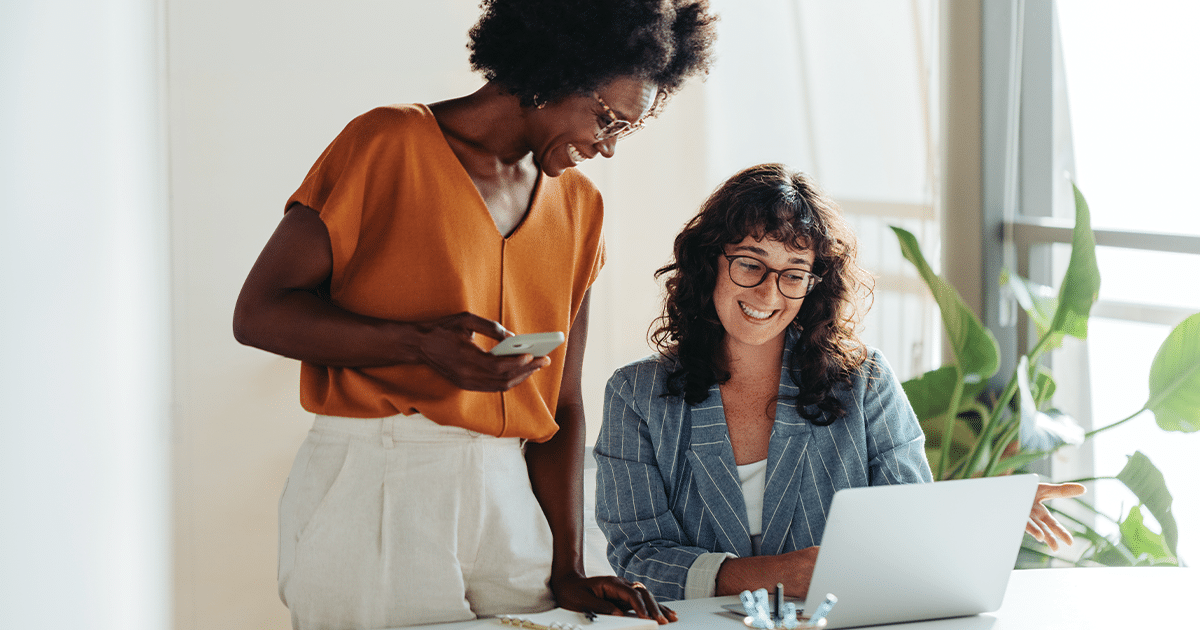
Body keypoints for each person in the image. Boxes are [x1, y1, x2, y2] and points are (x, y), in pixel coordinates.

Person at [232, 1, 717, 627]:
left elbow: (562, 403)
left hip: (509, 494)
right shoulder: (387, 143)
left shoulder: (579, 206)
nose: (608, 148)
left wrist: (566, 567)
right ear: (557, 67)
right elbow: (259, 313)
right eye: (607, 120)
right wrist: (418, 345)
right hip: (380, 477)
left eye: (627, 130)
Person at [593, 163, 1085, 602]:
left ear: (814, 285)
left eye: (794, 274)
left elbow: (906, 522)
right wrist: (773, 574)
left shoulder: (864, 381)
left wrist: (985, 513)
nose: (769, 291)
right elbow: (639, 558)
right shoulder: (636, 395)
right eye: (749, 263)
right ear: (710, 263)